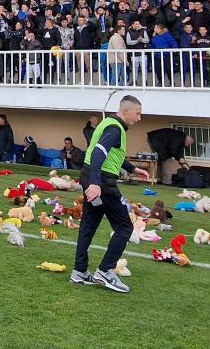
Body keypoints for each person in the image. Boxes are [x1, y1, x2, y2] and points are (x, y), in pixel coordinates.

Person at [71, 95, 150, 292]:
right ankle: (105, 271)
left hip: (91, 177)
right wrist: (96, 183)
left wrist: (132, 169)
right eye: (137, 113)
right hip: (103, 183)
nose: (139, 118)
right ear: (125, 111)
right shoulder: (115, 129)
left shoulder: (109, 125)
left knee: (88, 226)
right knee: (125, 227)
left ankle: (79, 272)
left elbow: (112, 153)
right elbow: (98, 153)